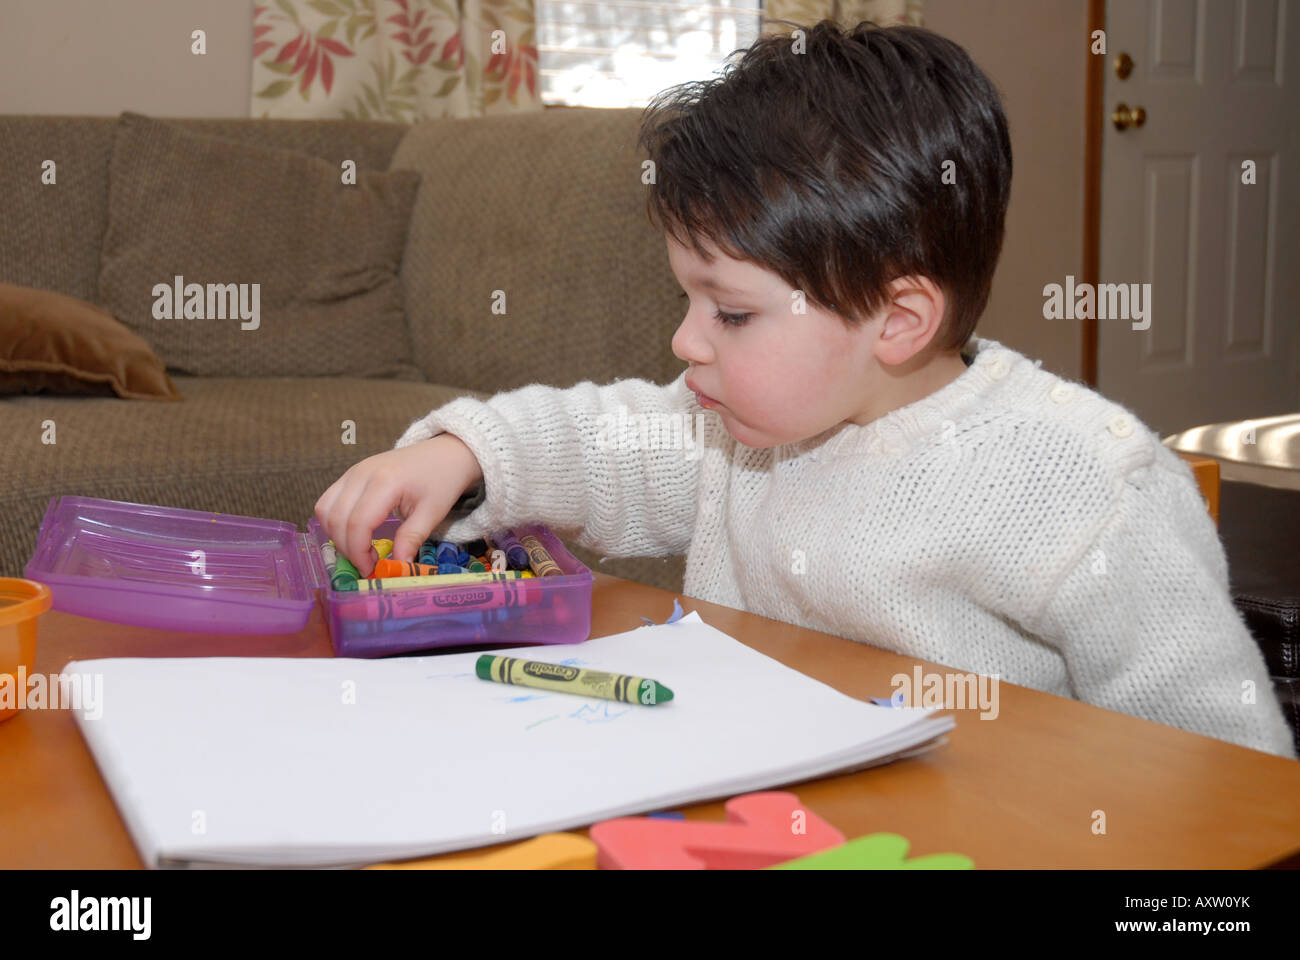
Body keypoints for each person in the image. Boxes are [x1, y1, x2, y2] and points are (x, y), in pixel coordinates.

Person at [315, 20, 1296, 758]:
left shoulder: (1085, 483)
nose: (684, 339)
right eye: (687, 298)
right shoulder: (736, 428)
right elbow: (604, 439)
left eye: (728, 313)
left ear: (898, 321)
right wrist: (463, 452)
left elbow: (1221, 768)